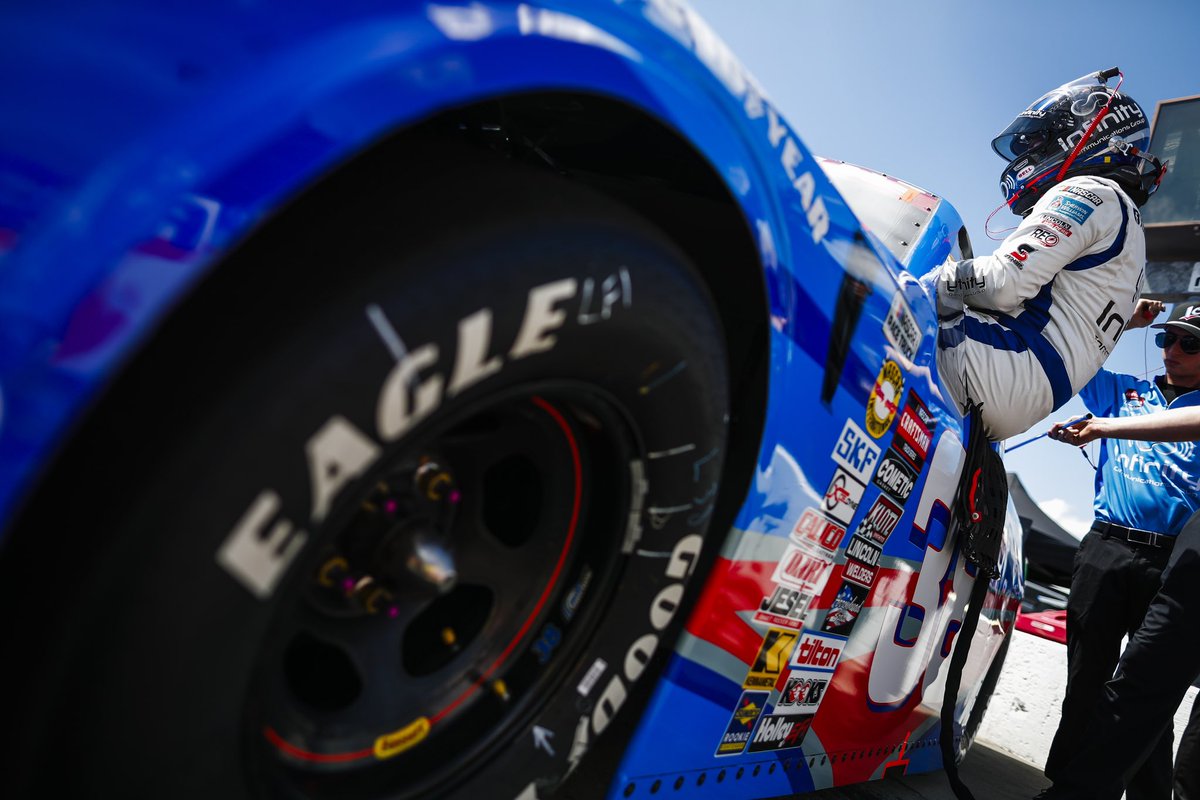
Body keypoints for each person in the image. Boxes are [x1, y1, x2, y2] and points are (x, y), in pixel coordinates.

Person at [921, 67, 1166, 441]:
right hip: (1023, 394)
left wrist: (925, 278)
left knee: (853, 287)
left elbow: (1003, 282)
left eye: (1038, 144)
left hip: (998, 361)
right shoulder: (1131, 232)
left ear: (1083, 137)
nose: (1031, 154)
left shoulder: (1091, 189)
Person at [1035, 300, 1200, 800]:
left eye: (1189, 343)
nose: (1172, 350)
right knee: (1085, 678)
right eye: (1165, 339)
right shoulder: (1122, 389)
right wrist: (1124, 323)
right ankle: (1066, 785)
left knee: (1145, 690)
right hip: (1105, 546)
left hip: (1174, 565)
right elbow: (1069, 353)